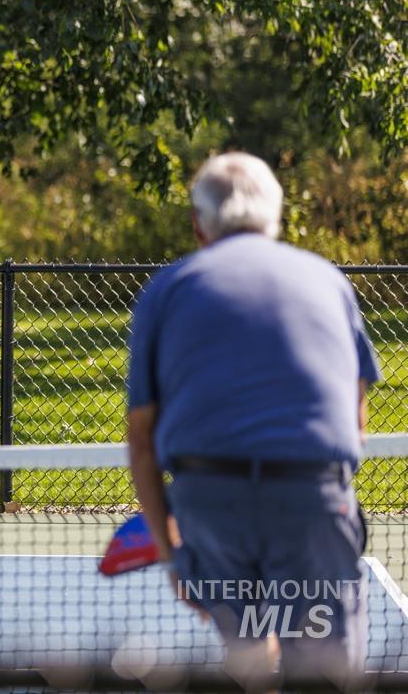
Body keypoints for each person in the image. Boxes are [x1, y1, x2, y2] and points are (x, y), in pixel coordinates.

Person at [126, 152, 380, 687]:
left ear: (198, 223)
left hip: (210, 505)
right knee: (323, 674)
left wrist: (175, 556)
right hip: (310, 501)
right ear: (277, 216)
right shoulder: (328, 281)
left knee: (247, 658)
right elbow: (354, 420)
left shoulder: (166, 291)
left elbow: (142, 442)